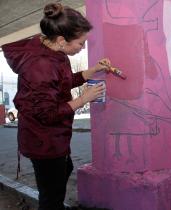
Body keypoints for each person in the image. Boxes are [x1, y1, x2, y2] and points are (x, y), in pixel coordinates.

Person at [2, 3, 112, 210]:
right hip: (43, 140)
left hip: (54, 137)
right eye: (81, 43)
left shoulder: (53, 51)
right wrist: (83, 99)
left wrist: (92, 71)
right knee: (51, 197)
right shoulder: (40, 65)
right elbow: (47, 114)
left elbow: (61, 82)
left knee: (63, 171)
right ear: (62, 40)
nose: (83, 48)